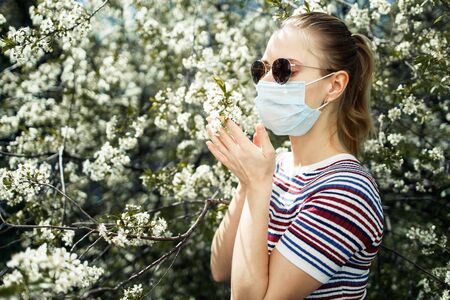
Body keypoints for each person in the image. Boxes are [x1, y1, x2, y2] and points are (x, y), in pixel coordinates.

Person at [207, 11, 384, 300]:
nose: (265, 82)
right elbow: (221, 269)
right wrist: (247, 182)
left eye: (284, 70)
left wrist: (257, 184)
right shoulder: (275, 167)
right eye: (261, 69)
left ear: (334, 85)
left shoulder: (348, 192)